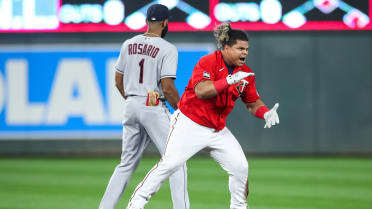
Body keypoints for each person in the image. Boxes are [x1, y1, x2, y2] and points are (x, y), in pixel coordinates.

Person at [126, 22, 280, 209]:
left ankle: (239, 207)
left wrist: (265, 113)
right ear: (226, 48)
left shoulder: (246, 73)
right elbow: (202, 91)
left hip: (217, 129)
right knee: (170, 164)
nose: (245, 53)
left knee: (240, 168)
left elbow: (252, 103)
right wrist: (229, 80)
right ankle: (136, 203)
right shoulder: (208, 62)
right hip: (190, 123)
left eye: (247, 49)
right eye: (240, 48)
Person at [99, 4, 190, 209]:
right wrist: (183, 112)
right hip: (153, 105)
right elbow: (167, 88)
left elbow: (118, 80)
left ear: (147, 21)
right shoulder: (168, 48)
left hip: (131, 104)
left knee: (126, 165)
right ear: (166, 23)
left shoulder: (128, 43)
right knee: (176, 161)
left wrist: (133, 100)